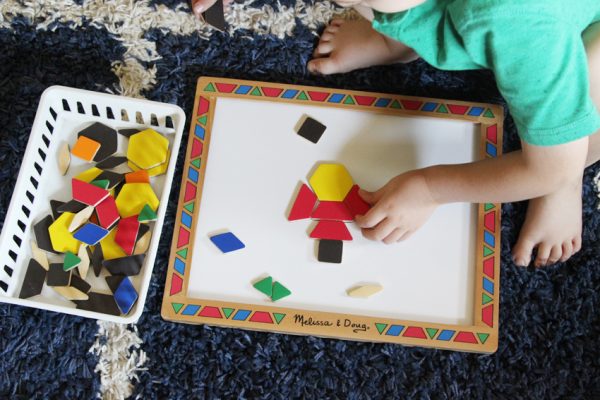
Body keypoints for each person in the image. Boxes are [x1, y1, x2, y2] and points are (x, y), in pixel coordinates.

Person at [306, 0, 600, 267]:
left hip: (572, 27)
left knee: (576, 114)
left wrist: (430, 189)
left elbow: (551, 169)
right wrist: (389, 36)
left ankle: (567, 185)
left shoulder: (520, 22)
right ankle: (395, 38)